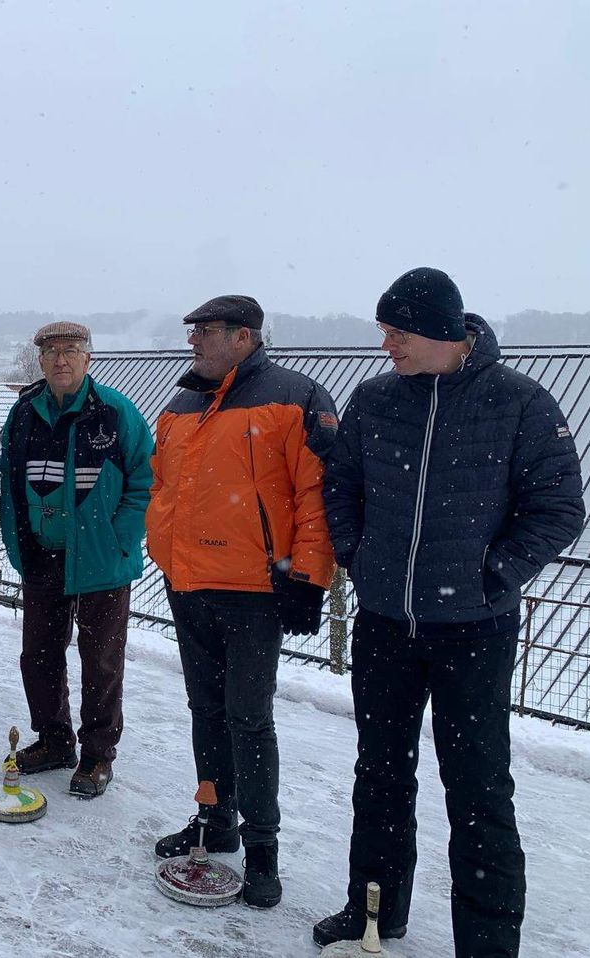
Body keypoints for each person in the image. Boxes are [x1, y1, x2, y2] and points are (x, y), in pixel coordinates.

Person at [315, 268, 586, 956]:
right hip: (384, 624)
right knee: (379, 774)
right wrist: (356, 553)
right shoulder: (376, 400)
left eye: (398, 332)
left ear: (443, 331)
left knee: (479, 791)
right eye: (383, 332)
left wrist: (492, 574)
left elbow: (558, 510)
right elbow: (340, 485)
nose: (387, 347)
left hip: (475, 629)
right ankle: (374, 913)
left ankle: (488, 945)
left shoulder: (519, 402)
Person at [145, 295, 338, 908]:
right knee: (206, 711)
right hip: (189, 583)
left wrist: (309, 577)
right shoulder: (181, 404)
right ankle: (214, 820)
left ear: (244, 336)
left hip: (255, 591)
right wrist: (163, 553)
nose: (194, 341)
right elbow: (162, 486)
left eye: (206, 331)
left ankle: (263, 852)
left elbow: (316, 494)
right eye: (193, 331)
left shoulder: (295, 397)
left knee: (248, 718)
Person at [0, 321, 153, 797]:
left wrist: (120, 540)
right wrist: (14, 539)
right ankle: (54, 740)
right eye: (51, 353)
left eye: (71, 351)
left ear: (88, 358)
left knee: (101, 660)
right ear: (39, 361)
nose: (61, 360)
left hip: (100, 559)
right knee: (38, 655)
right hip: (43, 555)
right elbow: (7, 479)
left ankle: (97, 755)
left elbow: (145, 482)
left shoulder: (114, 412)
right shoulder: (24, 412)